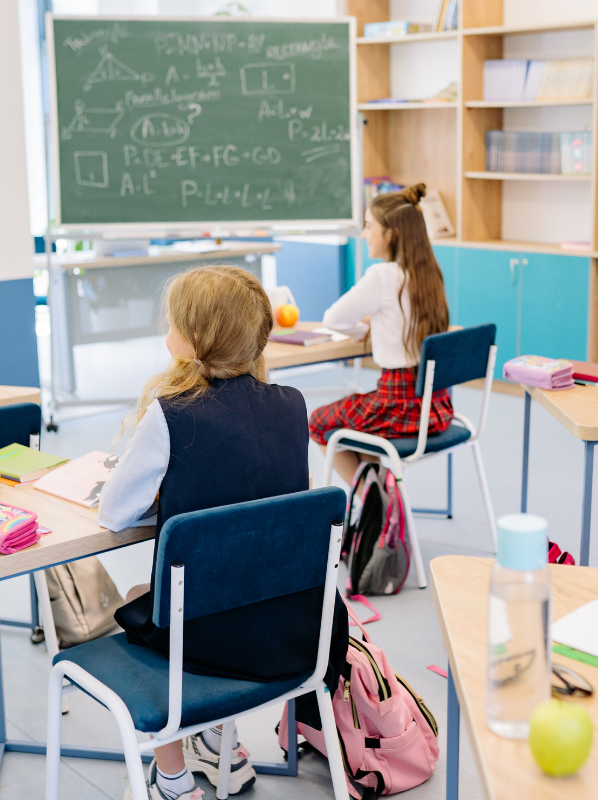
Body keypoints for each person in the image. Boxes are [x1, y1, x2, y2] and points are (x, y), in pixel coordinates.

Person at [97, 265, 347, 800]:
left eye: (172, 323)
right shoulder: (292, 405)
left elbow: (115, 512)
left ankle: (173, 780)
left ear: (194, 341)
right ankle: (217, 742)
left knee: (143, 599)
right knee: (203, 595)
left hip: (211, 640)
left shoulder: (171, 414)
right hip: (298, 632)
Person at [310, 183, 451, 485]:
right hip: (434, 407)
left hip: (396, 405)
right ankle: (381, 495)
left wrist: (363, 330)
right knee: (357, 418)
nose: (363, 234)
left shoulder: (384, 275)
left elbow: (333, 319)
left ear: (393, 234)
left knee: (318, 422)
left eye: (368, 226)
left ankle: (378, 506)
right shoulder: (429, 274)